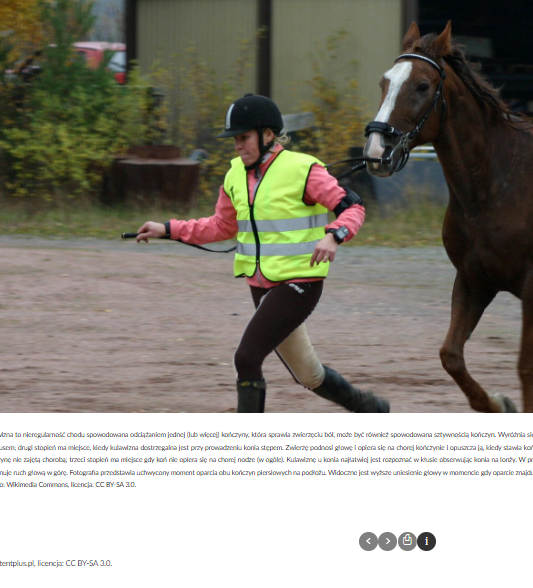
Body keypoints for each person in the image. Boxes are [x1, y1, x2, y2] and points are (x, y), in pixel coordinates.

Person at [136, 94, 389, 414]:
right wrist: (167, 229)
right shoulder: (234, 176)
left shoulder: (304, 169)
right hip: (261, 286)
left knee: (246, 357)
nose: (238, 146)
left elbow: (352, 207)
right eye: (235, 140)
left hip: (301, 282)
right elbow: (220, 227)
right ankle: (369, 408)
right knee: (308, 374)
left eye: (244, 137)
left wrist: (334, 236)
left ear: (268, 135)